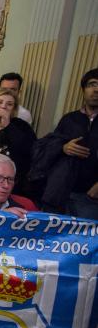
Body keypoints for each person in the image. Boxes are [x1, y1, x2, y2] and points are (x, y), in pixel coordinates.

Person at [30, 68, 98, 218]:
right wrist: (63, 147)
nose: (96, 89)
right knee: (49, 238)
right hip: (58, 193)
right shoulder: (69, 119)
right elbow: (45, 147)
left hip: (90, 199)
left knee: (83, 241)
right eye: (92, 84)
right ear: (83, 90)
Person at [0, 88, 36, 194]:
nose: (3, 106)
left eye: (9, 104)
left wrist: (8, 126)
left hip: (13, 187)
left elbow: (29, 150)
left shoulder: (21, 126)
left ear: (13, 110)